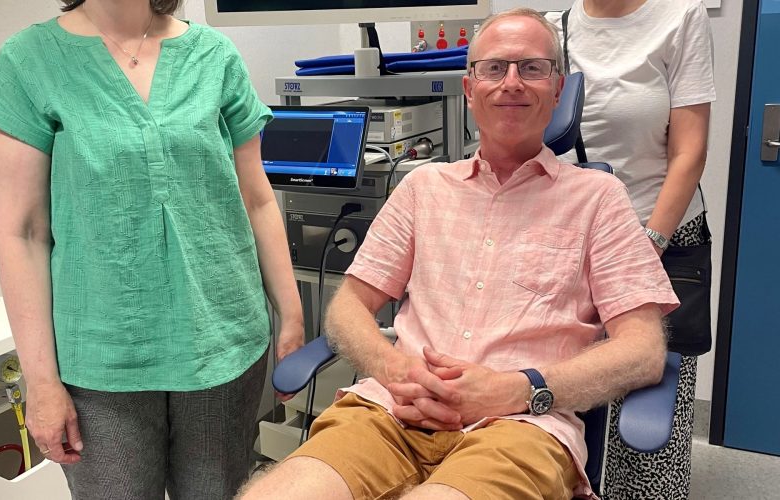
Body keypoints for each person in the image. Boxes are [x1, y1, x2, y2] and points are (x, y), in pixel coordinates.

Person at [240, 8, 678, 500]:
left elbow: (642, 350)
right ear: (469, 91)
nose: (511, 82)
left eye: (531, 68)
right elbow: (348, 307)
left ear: (557, 90)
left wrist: (518, 387)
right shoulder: (422, 188)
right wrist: (393, 369)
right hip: (391, 411)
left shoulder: (599, 198)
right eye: (494, 68)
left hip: (519, 427)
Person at [0, 0, 304, 498]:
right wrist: (41, 382)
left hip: (223, 344)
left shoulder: (213, 54)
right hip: (100, 362)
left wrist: (293, 315)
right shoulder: (29, 62)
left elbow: (256, 198)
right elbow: (21, 233)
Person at [545, 1, 716, 497]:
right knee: (564, 402)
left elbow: (690, 151)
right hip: (574, 239)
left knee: (646, 425)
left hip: (659, 235)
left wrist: (646, 248)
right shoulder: (555, 26)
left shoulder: (680, 17)